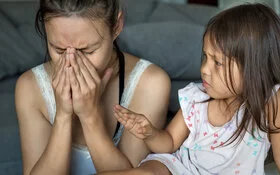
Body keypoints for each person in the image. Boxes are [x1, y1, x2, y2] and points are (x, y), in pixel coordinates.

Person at [100, 3, 280, 175]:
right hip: (179, 166)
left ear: (254, 68)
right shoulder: (196, 98)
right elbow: (169, 143)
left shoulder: (270, 103)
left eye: (217, 63)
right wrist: (150, 133)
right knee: (149, 171)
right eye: (205, 57)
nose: (204, 69)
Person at [15, 0, 171, 174]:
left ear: (117, 26)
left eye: (88, 51)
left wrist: (90, 116)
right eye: (59, 49)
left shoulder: (151, 83)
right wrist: (63, 116)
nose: (72, 63)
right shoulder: (30, 87)